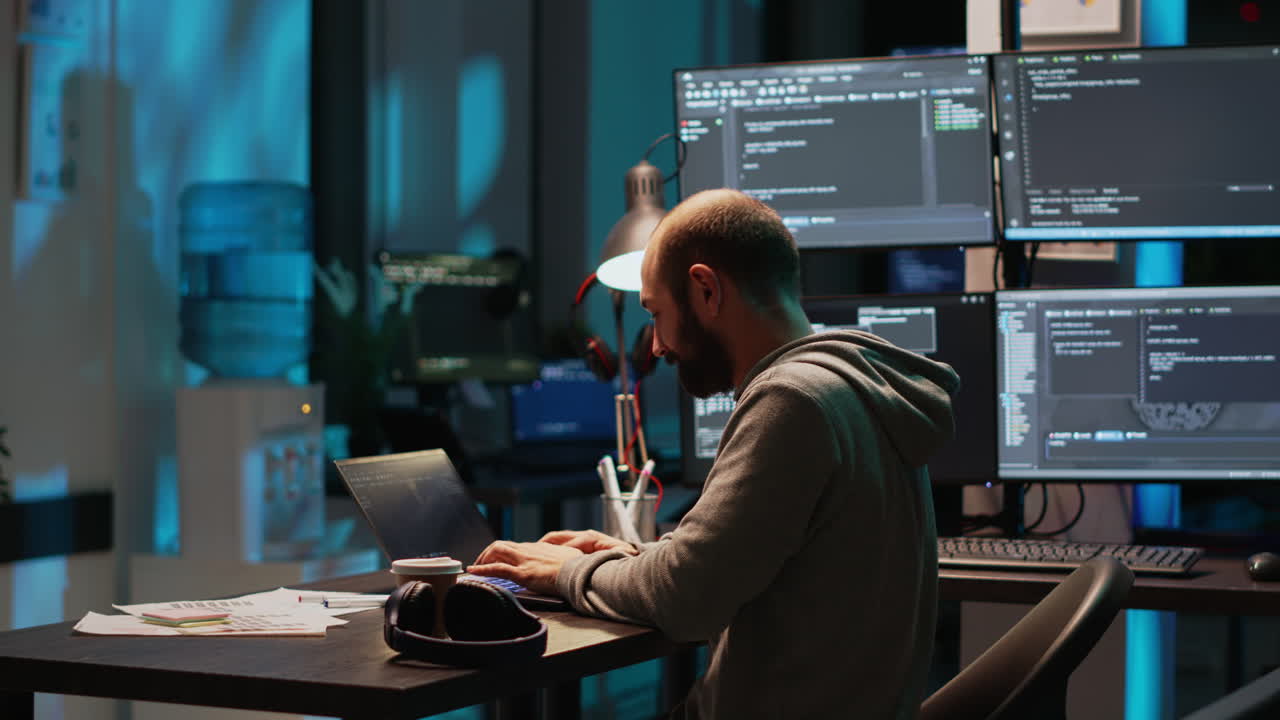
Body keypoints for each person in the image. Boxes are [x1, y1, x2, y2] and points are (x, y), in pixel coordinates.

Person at [470, 188, 959, 719]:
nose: (655, 345)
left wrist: (568, 573)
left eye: (656, 313)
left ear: (705, 289)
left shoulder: (791, 401)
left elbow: (687, 600)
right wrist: (629, 559)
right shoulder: (856, 390)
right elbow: (755, 566)